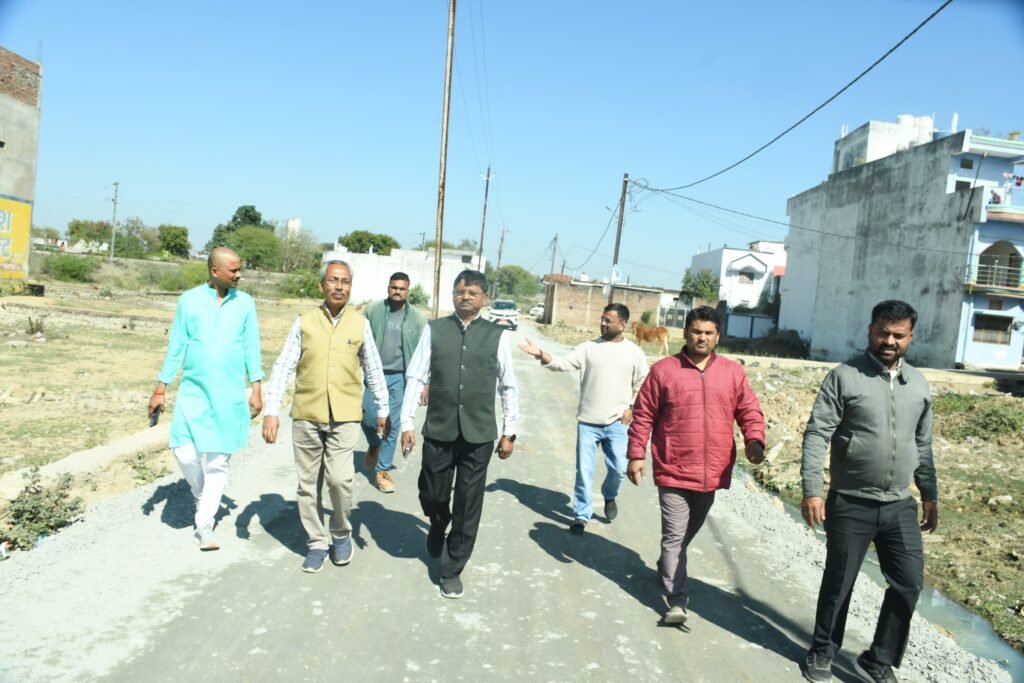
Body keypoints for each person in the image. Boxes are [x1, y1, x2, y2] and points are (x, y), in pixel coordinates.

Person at [800, 300, 938, 683]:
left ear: (911, 337)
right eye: (883, 333)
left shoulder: (919, 385)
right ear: (870, 331)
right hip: (850, 501)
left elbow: (923, 444)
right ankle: (822, 652)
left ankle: (878, 659)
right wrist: (813, 490)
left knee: (909, 581)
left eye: (898, 335)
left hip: (899, 504)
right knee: (839, 582)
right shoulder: (845, 377)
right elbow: (817, 433)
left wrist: (929, 493)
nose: (889, 341)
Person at [626, 305, 765, 625]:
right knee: (675, 535)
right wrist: (636, 454)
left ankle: (667, 564)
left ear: (717, 337)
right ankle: (677, 600)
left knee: (686, 534)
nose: (702, 338)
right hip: (673, 467)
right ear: (686, 333)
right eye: (696, 331)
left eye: (708, 333)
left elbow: (749, 409)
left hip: (713, 472)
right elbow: (643, 414)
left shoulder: (732, 372)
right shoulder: (664, 370)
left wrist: (754, 439)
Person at [261, 260, 389, 573]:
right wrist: (271, 410)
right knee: (308, 486)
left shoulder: (360, 324)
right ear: (322, 285)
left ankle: (341, 533)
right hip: (307, 414)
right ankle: (316, 542)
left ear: (350, 287)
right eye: (333, 280)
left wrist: (382, 408)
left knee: (339, 479)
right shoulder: (303, 322)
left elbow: (373, 368)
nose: (339, 287)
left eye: (345, 281)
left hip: (345, 417)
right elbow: (283, 366)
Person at [400, 270, 519, 599]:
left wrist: (509, 431)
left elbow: (508, 385)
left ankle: (452, 568)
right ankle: (438, 523)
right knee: (432, 493)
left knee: (468, 504)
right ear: (452, 295)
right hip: (439, 428)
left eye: (472, 292)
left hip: (478, 434)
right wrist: (407, 422)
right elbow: (416, 375)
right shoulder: (435, 329)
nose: (465, 297)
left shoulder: (497, 335)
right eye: (459, 291)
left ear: (484, 299)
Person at [148, 246, 263, 551]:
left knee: (217, 462)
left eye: (239, 269)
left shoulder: (245, 303)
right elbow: (176, 345)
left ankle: (204, 525)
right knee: (184, 452)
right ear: (215, 271)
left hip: (229, 395)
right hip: (193, 392)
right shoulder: (189, 301)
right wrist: (160, 388)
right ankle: (202, 494)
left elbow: (251, 347)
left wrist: (256, 387)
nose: (239, 275)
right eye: (233, 270)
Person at [518, 303, 648, 535]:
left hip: (617, 422)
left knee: (619, 468)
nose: (602, 323)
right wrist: (543, 355)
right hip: (588, 421)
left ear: (622, 325)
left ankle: (609, 495)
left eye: (608, 320)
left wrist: (631, 407)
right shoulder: (588, 348)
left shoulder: (634, 352)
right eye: (602, 318)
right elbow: (563, 363)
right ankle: (581, 514)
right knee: (584, 471)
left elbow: (642, 383)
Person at [360, 272, 427, 493]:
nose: (397, 291)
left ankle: (382, 470)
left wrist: (426, 382)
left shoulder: (417, 318)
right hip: (374, 374)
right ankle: (374, 444)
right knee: (368, 417)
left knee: (392, 423)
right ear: (388, 288)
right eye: (394, 287)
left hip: (400, 377)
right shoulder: (373, 311)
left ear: (408, 291)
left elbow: (425, 352)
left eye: (402, 288)